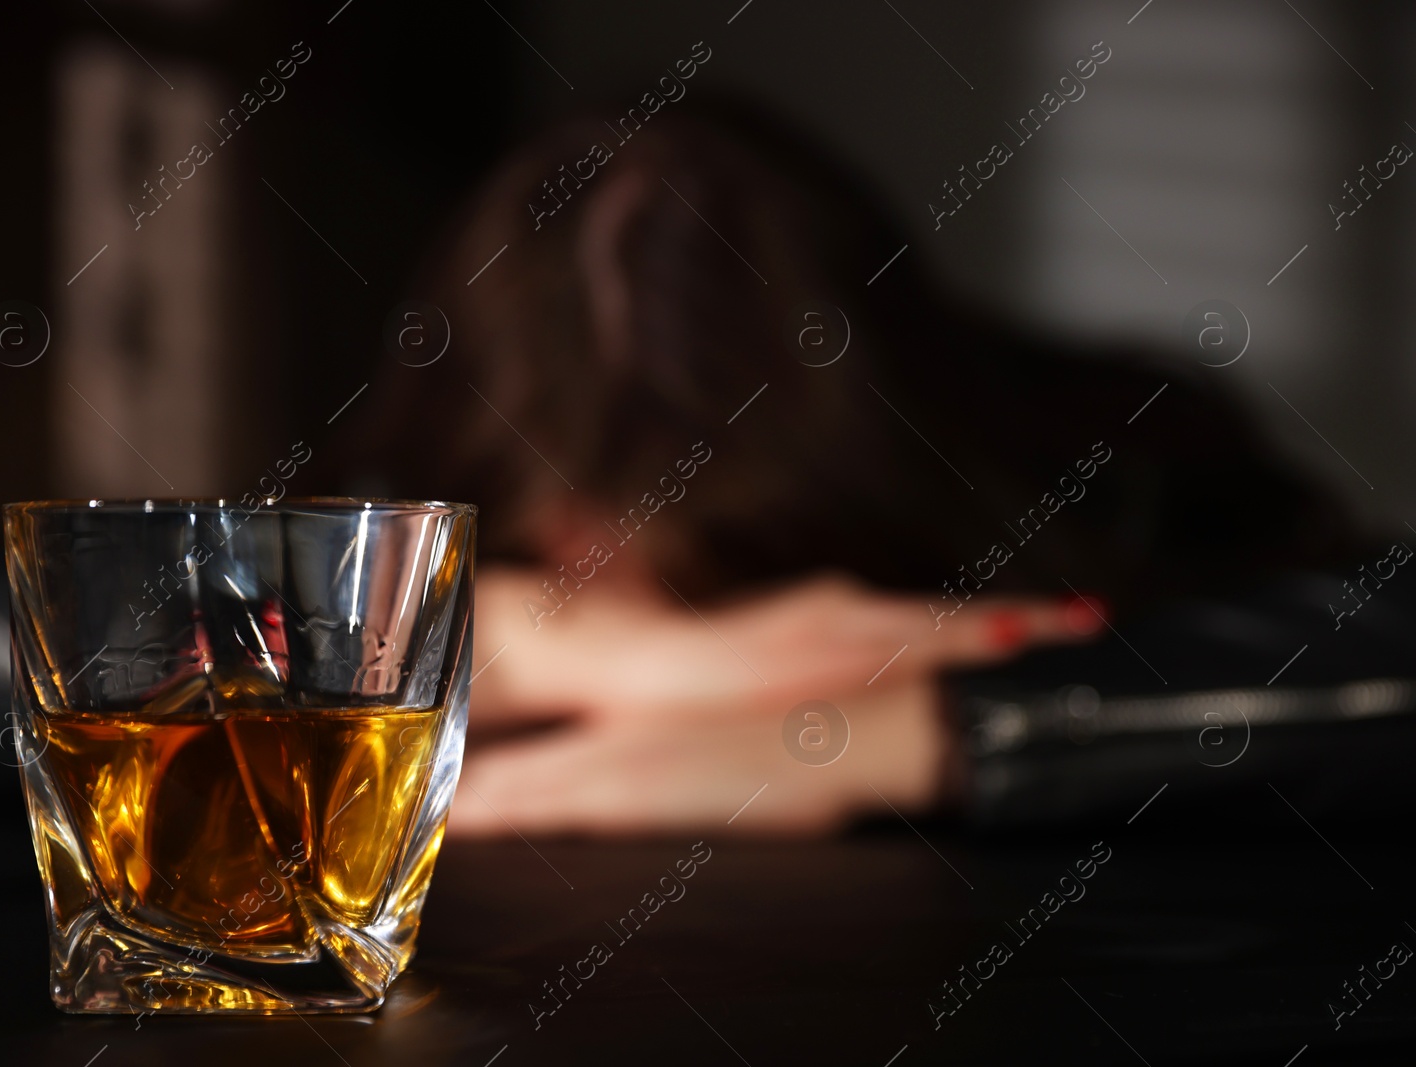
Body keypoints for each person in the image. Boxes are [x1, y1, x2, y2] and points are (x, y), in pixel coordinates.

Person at [358, 108, 1416, 836]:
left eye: (721, 575)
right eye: (556, 576)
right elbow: (205, 630)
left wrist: (902, 734)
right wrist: (535, 644)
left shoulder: (1127, 477)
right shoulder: (401, 568)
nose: (617, 603)